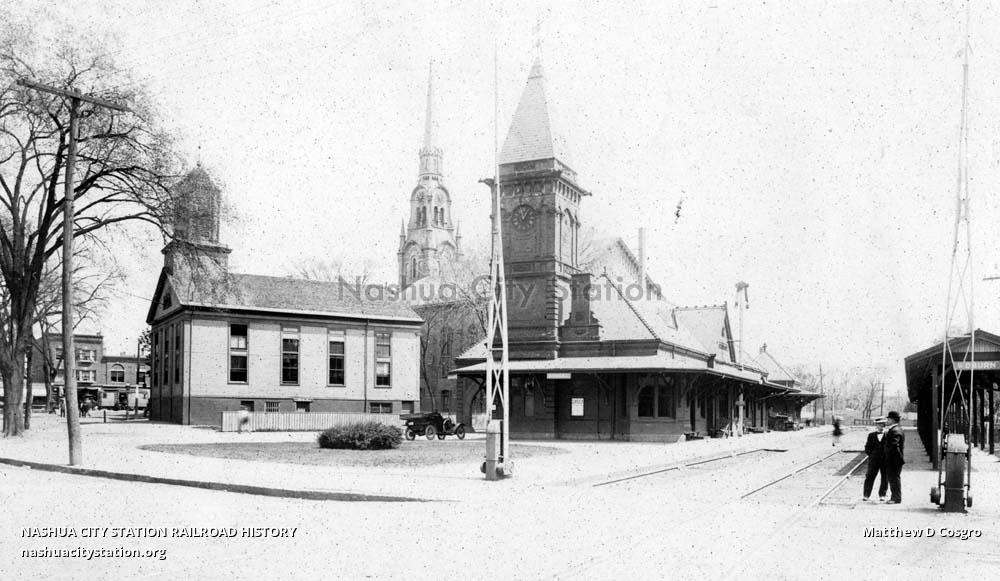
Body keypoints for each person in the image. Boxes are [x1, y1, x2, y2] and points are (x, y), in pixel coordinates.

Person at [862, 417, 888, 501]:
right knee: (869, 477)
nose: (882, 426)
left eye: (883, 424)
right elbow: (867, 447)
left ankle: (882, 495)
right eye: (880, 424)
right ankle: (866, 495)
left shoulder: (888, 435)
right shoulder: (871, 435)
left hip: (885, 460)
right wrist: (872, 455)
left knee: (885, 477)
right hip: (874, 461)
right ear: (876, 425)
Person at [883, 410, 905, 504]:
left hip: (894, 460)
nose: (887, 421)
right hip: (895, 459)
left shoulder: (895, 431)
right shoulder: (897, 429)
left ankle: (896, 498)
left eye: (888, 419)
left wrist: (888, 456)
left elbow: (894, 446)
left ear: (892, 420)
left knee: (894, 479)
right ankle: (895, 497)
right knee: (894, 478)